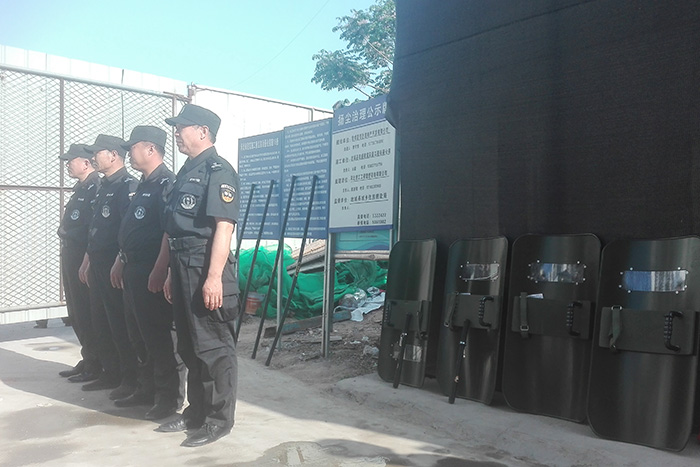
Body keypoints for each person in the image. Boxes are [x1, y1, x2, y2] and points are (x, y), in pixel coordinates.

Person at [157, 104, 239, 447]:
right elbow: (175, 227)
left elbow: (224, 226)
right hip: (182, 264)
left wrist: (214, 277)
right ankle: (197, 412)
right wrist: (169, 273)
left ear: (203, 131)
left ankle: (218, 421)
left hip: (204, 264)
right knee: (190, 346)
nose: (177, 133)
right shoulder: (186, 172)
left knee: (213, 346)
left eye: (183, 127)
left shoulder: (218, 171)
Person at [110, 126, 180, 420]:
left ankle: (167, 398)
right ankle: (146, 388)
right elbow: (133, 229)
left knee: (157, 335)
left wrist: (160, 269)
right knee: (137, 333)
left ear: (151, 149)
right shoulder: (143, 184)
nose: (129, 153)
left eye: (133, 147)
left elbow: (168, 230)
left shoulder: (166, 183)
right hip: (132, 268)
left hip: (150, 268)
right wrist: (121, 259)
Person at [78, 134, 139, 401]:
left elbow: (127, 230)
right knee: (101, 320)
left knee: (119, 322)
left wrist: (120, 260)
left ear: (113, 155)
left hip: (115, 264)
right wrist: (88, 260)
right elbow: (96, 229)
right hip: (98, 262)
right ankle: (110, 371)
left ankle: (129, 377)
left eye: (98, 152)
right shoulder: (103, 186)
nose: (93, 157)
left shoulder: (128, 185)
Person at [56, 143, 102, 383]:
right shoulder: (81, 188)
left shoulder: (95, 187)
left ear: (85, 163)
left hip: (83, 255)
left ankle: (96, 363)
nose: (67, 165)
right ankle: (88, 357)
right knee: (75, 311)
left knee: (86, 310)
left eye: (70, 160)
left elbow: (92, 227)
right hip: (70, 253)